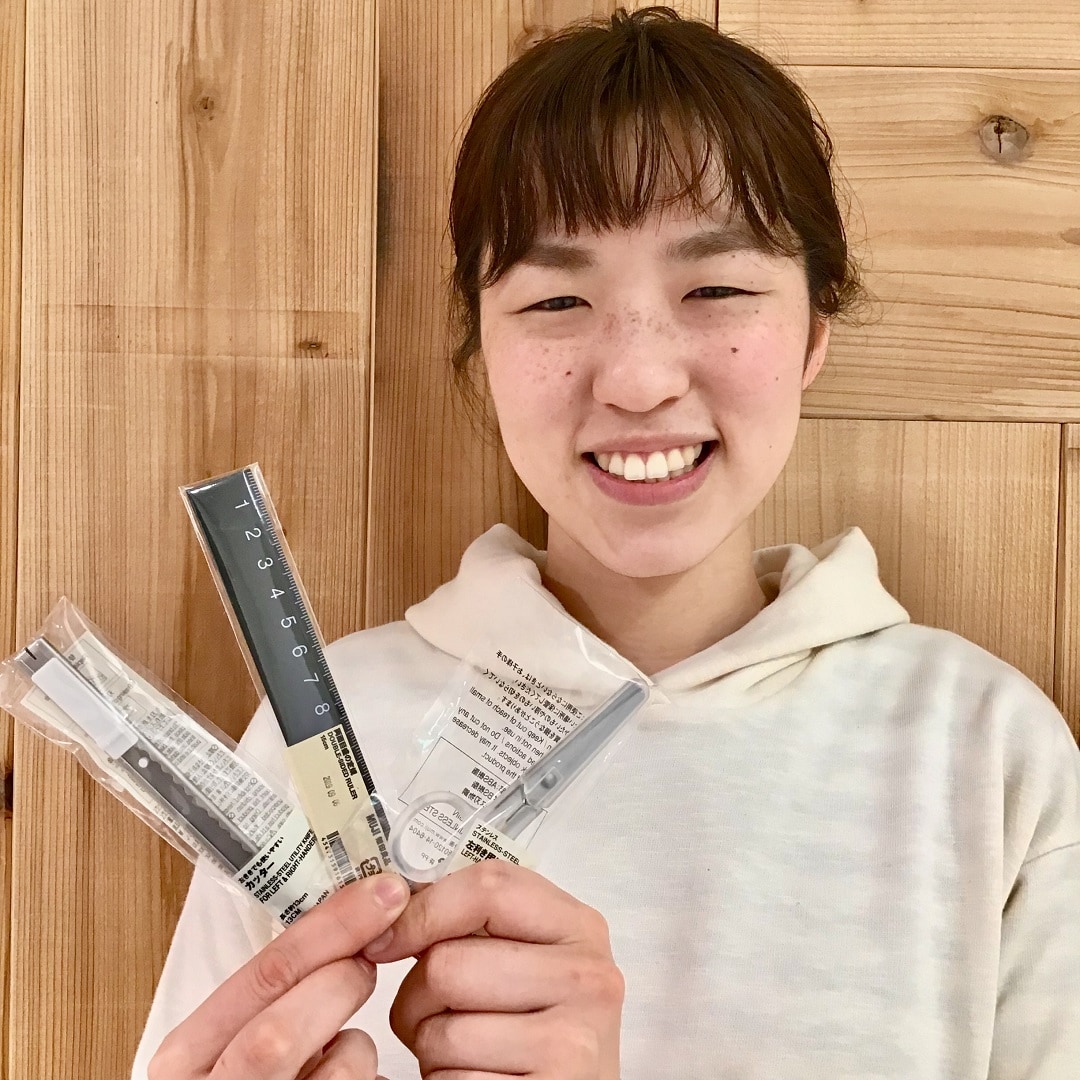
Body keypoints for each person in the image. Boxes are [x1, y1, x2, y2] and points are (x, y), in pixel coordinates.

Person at [134, 8, 1080, 1078]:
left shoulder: (983, 751)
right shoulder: (328, 735)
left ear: (815, 330)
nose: (636, 378)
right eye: (557, 299)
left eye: (715, 289)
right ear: (483, 347)